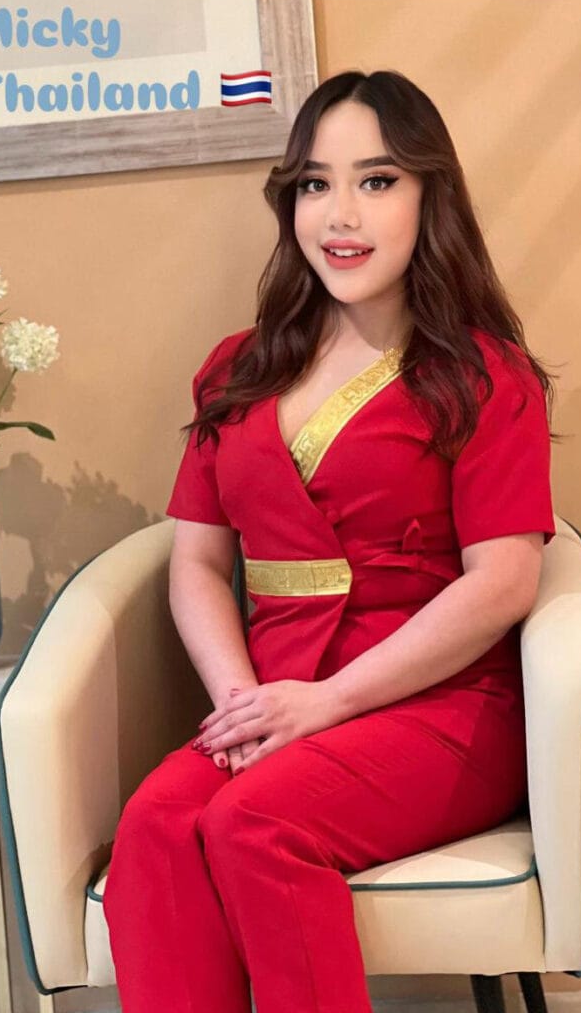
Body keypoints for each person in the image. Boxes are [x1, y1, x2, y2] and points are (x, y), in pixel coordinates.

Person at [102, 69, 557, 1013]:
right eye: (314, 183)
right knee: (153, 826)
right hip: (272, 693)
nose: (339, 214)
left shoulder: (484, 374)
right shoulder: (238, 367)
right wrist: (239, 702)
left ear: (432, 195)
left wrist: (328, 703)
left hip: (442, 707)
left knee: (254, 825)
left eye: (377, 180)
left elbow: (506, 580)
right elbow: (195, 560)